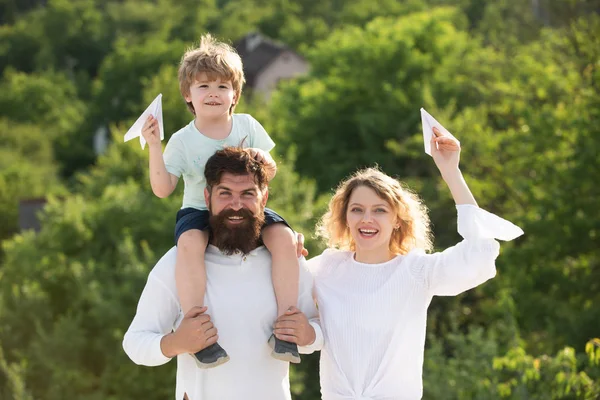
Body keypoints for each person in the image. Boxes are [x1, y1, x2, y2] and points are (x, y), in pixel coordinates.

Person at [300, 127, 523, 400]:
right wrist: (289, 251)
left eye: (379, 210)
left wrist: (451, 172)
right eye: (357, 209)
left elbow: (478, 253)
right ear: (345, 217)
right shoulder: (326, 268)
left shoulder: (416, 270)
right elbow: (291, 305)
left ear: (397, 220)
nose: (366, 219)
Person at [140, 34, 301, 368]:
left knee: (284, 238)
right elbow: (163, 188)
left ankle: (286, 325)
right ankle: (197, 328)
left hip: (245, 205)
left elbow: (270, 168)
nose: (213, 94)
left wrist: (259, 159)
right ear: (188, 95)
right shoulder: (183, 140)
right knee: (189, 245)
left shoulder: (246, 125)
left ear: (235, 95)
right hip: (200, 211)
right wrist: (154, 145)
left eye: (221, 87)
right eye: (203, 87)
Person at [123, 147, 323, 400]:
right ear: (207, 198)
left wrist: (308, 335)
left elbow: (319, 334)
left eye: (247, 194)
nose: (236, 205)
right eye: (225, 193)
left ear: (264, 198)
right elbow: (135, 343)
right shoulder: (178, 261)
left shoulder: (287, 260)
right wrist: (176, 343)